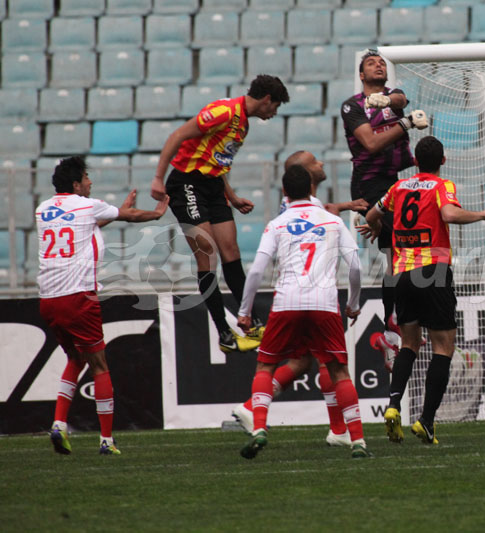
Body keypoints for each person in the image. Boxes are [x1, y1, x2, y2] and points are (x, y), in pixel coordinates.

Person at [361, 136, 485, 444]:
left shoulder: (399, 188)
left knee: (409, 344)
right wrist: (482, 215)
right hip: (433, 272)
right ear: (443, 161)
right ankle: (426, 421)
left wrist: (376, 228)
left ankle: (394, 406)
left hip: (403, 275)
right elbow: (449, 215)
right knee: (443, 347)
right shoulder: (441, 186)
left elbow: (372, 215)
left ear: (415, 161)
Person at [230, 151, 368, 447]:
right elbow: (355, 264)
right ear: (308, 182)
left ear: (285, 190)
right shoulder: (330, 220)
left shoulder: (279, 221)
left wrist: (244, 310)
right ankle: (355, 438)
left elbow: (256, 270)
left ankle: (259, 425)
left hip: (288, 300)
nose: (320, 163)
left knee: (272, 365)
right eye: (315, 161)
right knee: (334, 368)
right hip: (323, 302)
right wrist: (354, 304)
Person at [37, 156, 169, 455]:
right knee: (100, 365)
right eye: (86, 177)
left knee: (75, 358)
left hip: (48, 299)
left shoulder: (42, 209)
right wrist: (157, 213)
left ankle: (58, 423)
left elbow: (88, 223)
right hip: (79, 297)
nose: (90, 182)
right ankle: (107, 441)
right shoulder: (87, 205)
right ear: (75, 184)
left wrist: (120, 210)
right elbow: (130, 217)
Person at [150, 74, 290, 353]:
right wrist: (158, 177)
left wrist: (233, 197)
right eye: (275, 106)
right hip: (187, 182)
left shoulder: (244, 125)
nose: (275, 113)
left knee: (231, 250)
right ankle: (223, 332)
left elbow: (217, 163)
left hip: (213, 186)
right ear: (266, 100)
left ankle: (248, 322)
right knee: (207, 253)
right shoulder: (224, 112)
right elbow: (177, 135)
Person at [341, 49, 429, 371]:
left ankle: (390, 332)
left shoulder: (394, 97)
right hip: (368, 185)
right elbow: (372, 144)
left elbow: (403, 99)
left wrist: (392, 104)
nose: (378, 65)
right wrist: (405, 123)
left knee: (399, 254)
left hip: (392, 183)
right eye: (370, 63)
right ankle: (393, 324)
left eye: (381, 62)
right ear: (361, 75)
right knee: (398, 250)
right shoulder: (352, 106)